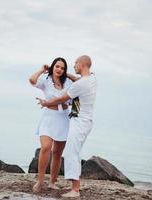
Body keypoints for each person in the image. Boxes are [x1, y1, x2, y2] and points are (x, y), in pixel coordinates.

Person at [37, 55, 97, 198]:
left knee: (71, 153)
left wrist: (46, 103)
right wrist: (66, 74)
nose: (74, 65)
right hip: (82, 120)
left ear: (82, 65)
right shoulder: (93, 79)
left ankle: (75, 190)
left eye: (76, 63)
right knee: (73, 153)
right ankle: (74, 187)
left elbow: (62, 99)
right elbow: (78, 82)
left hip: (80, 121)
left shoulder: (79, 84)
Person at [29, 57, 74, 192]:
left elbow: (79, 83)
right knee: (46, 148)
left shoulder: (68, 83)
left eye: (62, 68)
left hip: (63, 119)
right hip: (48, 118)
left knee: (57, 153)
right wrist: (42, 70)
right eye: (57, 66)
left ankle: (52, 181)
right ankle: (40, 181)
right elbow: (32, 80)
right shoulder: (46, 82)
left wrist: (68, 75)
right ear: (52, 67)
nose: (59, 69)